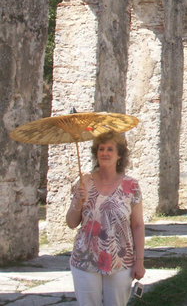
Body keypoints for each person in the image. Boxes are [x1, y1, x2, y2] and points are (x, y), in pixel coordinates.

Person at [66, 131, 146, 306]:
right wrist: (77, 202)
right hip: (85, 258)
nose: (105, 153)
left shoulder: (131, 186)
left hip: (121, 259)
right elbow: (72, 223)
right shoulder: (84, 182)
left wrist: (139, 262)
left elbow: (138, 225)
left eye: (110, 149)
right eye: (101, 149)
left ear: (119, 155)